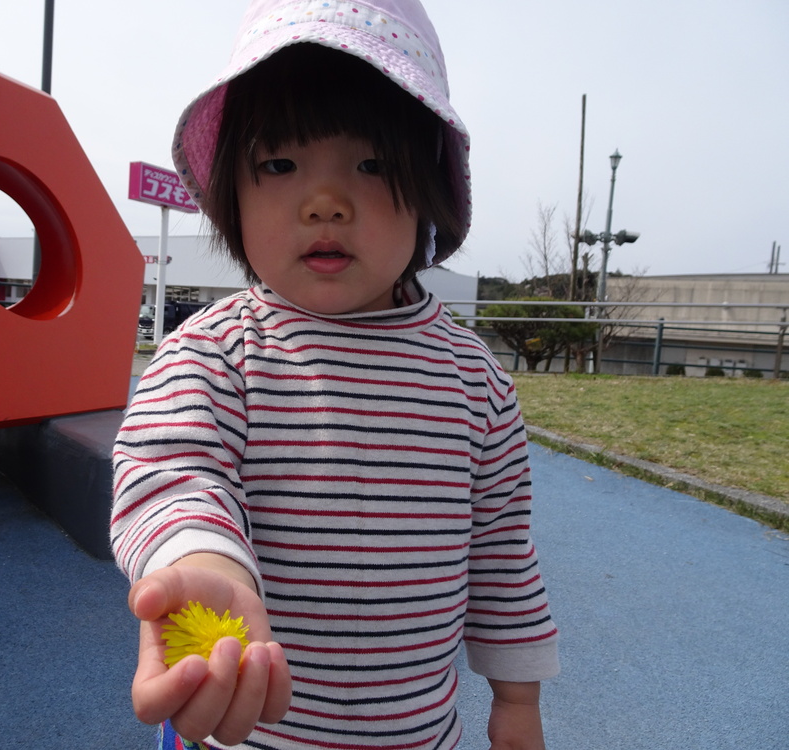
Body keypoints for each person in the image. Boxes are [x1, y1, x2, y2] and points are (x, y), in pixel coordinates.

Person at [111, 1, 559, 748]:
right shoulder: (216, 353)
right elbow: (171, 471)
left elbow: (502, 552)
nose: (325, 202)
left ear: (431, 191)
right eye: (280, 164)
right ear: (233, 197)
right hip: (251, 731)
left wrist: (518, 702)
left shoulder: (476, 380)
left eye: (373, 163)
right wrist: (202, 559)